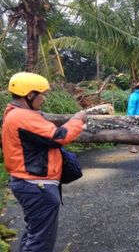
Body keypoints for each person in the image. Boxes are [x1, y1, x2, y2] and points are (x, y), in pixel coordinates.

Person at [2, 72, 87, 252]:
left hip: (29, 182)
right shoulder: (22, 117)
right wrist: (77, 121)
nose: (44, 98)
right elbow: (58, 136)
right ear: (30, 95)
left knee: (35, 232)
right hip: (36, 184)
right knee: (41, 240)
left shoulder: (16, 114)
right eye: (41, 93)